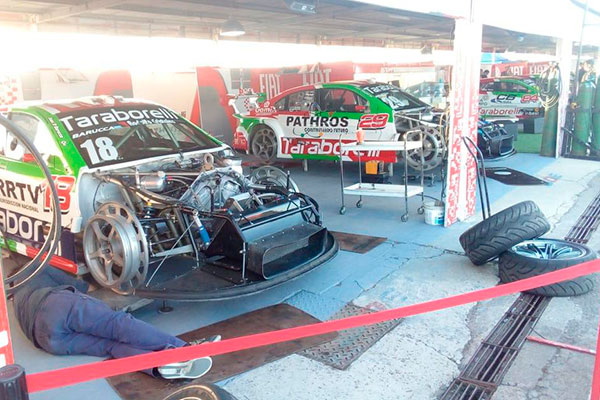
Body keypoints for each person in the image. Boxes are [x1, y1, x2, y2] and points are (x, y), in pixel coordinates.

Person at [11, 265, 218, 379]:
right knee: (119, 325)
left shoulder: (13, 299)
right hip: (54, 306)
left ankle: (159, 366)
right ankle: (185, 349)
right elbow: (81, 287)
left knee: (110, 346)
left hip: (47, 340)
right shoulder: (32, 269)